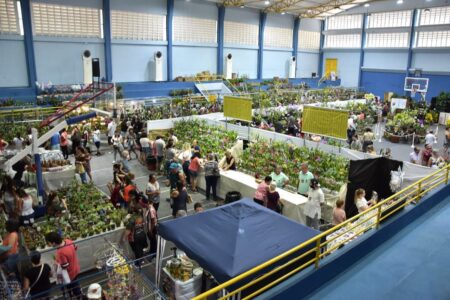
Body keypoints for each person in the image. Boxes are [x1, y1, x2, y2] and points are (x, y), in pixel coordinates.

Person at [45, 232, 81, 299]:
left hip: (70, 274)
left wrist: (56, 262)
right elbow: (75, 248)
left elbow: (65, 266)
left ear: (53, 243)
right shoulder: (68, 241)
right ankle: (78, 296)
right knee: (76, 285)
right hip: (76, 268)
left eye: (48, 242)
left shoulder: (60, 252)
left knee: (73, 288)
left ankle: (75, 296)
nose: (48, 244)